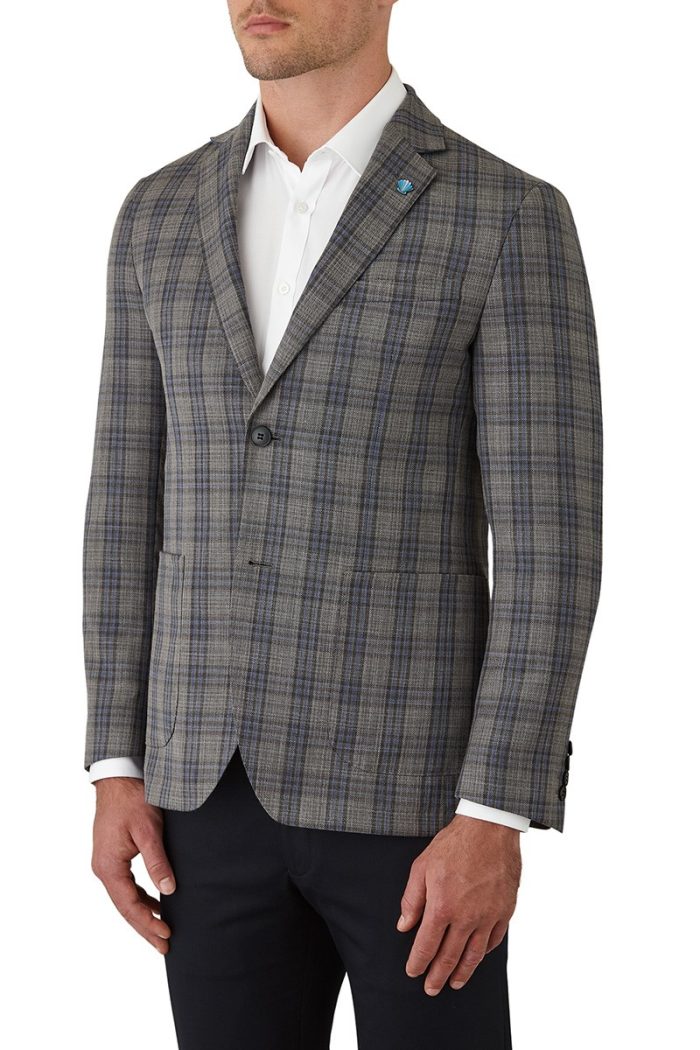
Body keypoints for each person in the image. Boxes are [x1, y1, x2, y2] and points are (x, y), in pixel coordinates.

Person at [83, 2, 603, 1047]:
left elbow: (550, 548)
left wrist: (494, 813)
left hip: (418, 811)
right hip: (201, 799)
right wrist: (114, 765)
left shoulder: (504, 215)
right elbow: (123, 502)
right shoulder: (159, 211)